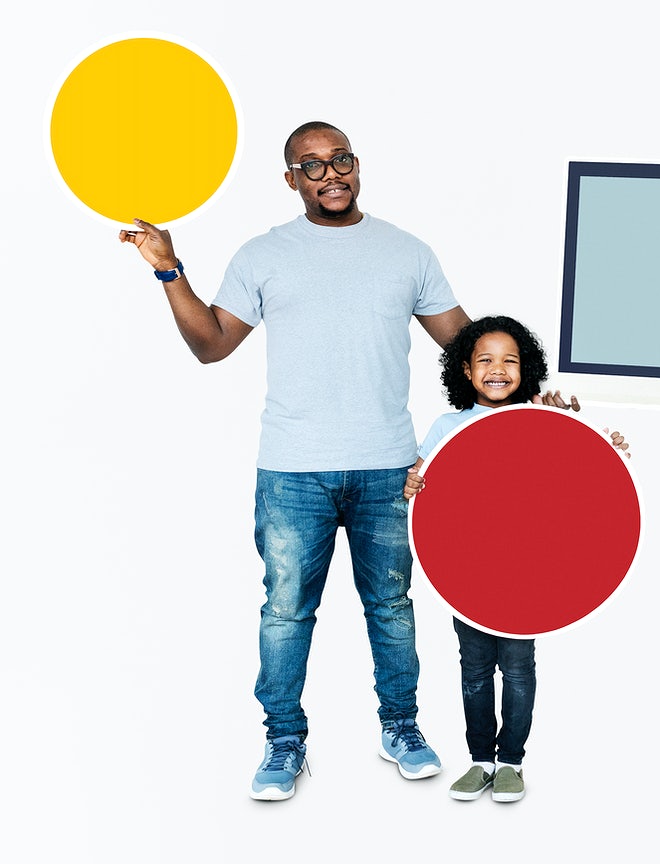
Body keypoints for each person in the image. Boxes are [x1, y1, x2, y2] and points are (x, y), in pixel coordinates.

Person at [118, 120, 575, 802]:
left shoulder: (407, 253)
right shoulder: (263, 255)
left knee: (391, 606)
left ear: (357, 166)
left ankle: (402, 727)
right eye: (312, 165)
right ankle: (283, 740)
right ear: (290, 179)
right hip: (292, 469)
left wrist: (542, 407)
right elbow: (211, 345)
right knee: (284, 611)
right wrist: (167, 266)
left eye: (342, 159)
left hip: (390, 467)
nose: (331, 173)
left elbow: (473, 350)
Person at [403, 315, 629, 803]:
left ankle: (511, 763)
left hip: (527, 572)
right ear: (465, 370)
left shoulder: (542, 419)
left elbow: (578, 486)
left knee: (519, 666)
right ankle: (480, 759)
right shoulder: (449, 426)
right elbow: (423, 493)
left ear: (526, 369)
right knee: (475, 668)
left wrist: (604, 449)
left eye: (510, 360)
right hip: (467, 570)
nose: (498, 370)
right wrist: (413, 484)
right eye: (485, 360)